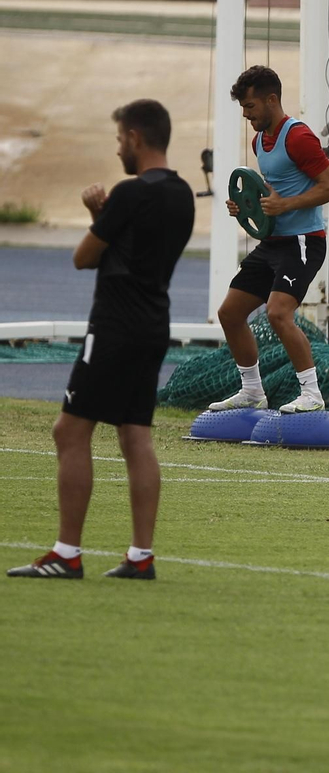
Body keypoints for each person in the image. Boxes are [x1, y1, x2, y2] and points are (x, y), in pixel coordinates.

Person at [9, 101, 195, 580]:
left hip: (114, 325)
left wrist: (98, 213)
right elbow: (136, 247)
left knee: (69, 431)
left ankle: (67, 553)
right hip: (154, 324)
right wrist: (108, 215)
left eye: (118, 141)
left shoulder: (130, 194)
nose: (118, 151)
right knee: (136, 436)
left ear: (135, 137)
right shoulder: (183, 196)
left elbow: (84, 256)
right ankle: (141, 556)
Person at [208, 65, 329, 414]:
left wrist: (286, 205)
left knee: (278, 313)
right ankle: (252, 391)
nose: (247, 115)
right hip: (273, 242)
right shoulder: (258, 141)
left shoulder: (298, 137)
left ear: (271, 100)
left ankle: (312, 394)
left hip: (303, 241)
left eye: (250, 107)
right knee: (229, 313)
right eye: (243, 109)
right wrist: (245, 207)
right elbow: (269, 195)